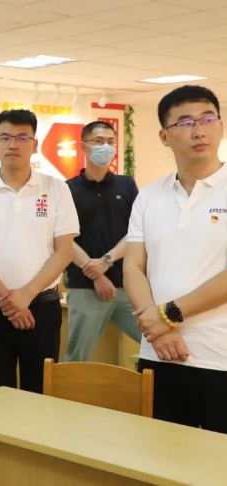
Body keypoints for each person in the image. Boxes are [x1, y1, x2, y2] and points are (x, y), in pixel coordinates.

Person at [125, 85, 227, 433]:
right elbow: (133, 266)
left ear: (220, 126)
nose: (199, 130)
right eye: (185, 122)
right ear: (164, 136)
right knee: (160, 454)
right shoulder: (150, 195)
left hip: (219, 357)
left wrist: (167, 315)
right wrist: (158, 331)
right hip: (158, 354)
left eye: (208, 119)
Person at [0, 109, 79, 393]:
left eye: (22, 137)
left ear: (35, 144)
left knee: (39, 396)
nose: (13, 144)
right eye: (5, 137)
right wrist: (10, 301)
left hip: (42, 309)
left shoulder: (56, 189)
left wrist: (26, 295)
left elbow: (64, 251)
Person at [63, 121, 141, 362]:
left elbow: (137, 231)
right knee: (78, 357)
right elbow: (63, 239)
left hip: (127, 285)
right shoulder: (67, 189)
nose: (105, 147)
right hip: (85, 287)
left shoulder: (126, 185)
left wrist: (106, 261)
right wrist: (96, 275)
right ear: (83, 147)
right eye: (98, 141)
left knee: (156, 339)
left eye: (110, 141)